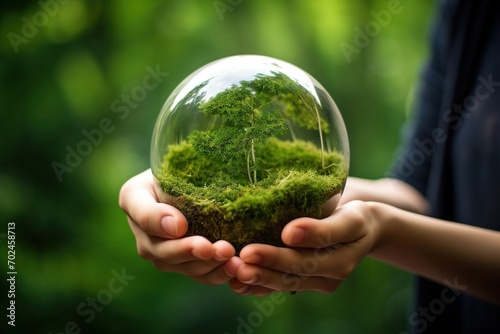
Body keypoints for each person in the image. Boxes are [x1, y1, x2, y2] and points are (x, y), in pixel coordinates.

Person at [119, 0, 500, 332]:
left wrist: (383, 230)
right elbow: (420, 192)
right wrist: (173, 184)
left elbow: (395, 219)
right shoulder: (468, 8)